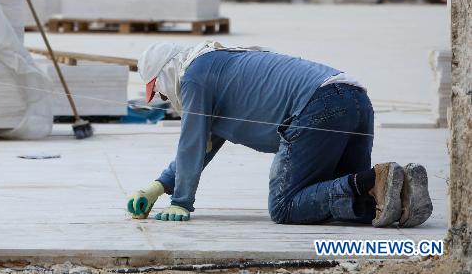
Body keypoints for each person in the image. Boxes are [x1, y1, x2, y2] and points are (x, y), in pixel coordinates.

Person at [125, 41, 433, 227]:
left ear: (165, 74)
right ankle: (399, 191)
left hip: (318, 106)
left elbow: (191, 144)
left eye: (160, 92)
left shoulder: (194, 78)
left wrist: (180, 202)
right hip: (354, 98)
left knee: (285, 205)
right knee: (341, 195)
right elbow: (201, 146)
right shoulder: (217, 65)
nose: (164, 99)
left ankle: (377, 181)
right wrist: (156, 187)